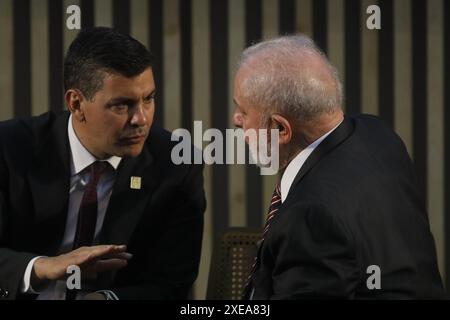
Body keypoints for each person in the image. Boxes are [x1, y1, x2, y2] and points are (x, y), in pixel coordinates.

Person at [233, 35, 446, 299]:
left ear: (280, 128)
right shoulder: (377, 134)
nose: (236, 120)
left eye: (242, 111)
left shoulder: (309, 218)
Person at [0, 27, 206, 300]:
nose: (141, 119)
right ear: (76, 104)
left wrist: (106, 299)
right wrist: (41, 267)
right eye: (122, 105)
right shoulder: (10, 148)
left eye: (149, 99)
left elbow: (171, 282)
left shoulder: (175, 165)